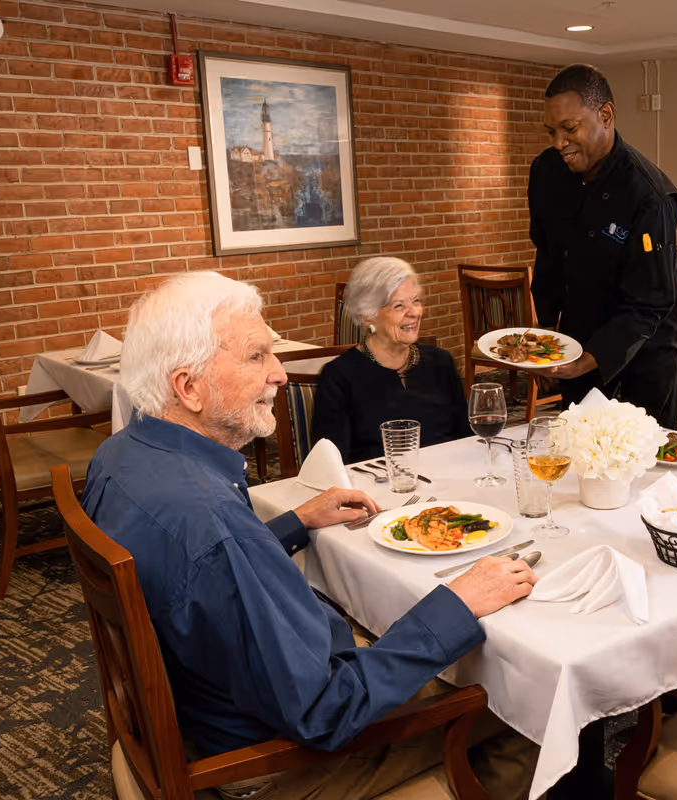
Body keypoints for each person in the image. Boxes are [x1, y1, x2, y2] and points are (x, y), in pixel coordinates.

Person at [82, 271, 540, 799]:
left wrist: (294, 522)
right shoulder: (213, 527)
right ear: (188, 387)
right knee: (522, 704)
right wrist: (457, 603)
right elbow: (326, 711)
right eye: (257, 357)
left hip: (204, 710)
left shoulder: (119, 457)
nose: (279, 373)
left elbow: (202, 576)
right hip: (264, 765)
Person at [528, 63, 677, 429]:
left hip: (650, 340)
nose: (559, 142)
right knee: (578, 440)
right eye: (551, 131)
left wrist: (590, 358)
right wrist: (543, 343)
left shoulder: (649, 195)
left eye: (570, 128)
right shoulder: (545, 172)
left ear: (606, 115)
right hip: (580, 327)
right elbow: (549, 259)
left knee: (643, 448)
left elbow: (651, 301)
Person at [312, 257, 473, 463]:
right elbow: (331, 465)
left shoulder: (441, 362)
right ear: (366, 316)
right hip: (376, 489)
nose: (414, 312)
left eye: (416, 301)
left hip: (447, 483)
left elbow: (466, 439)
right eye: (399, 306)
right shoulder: (339, 377)